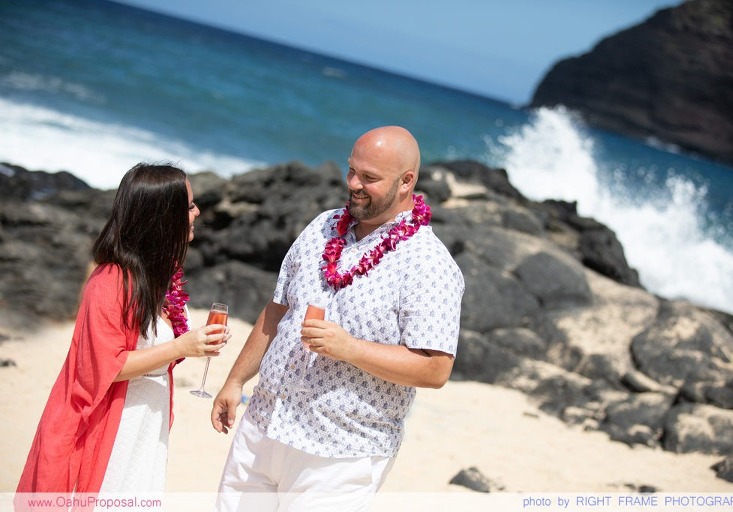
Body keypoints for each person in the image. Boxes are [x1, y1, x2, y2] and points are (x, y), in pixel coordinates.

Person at [211, 126, 465, 511]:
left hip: (339, 453)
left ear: (406, 181)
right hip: (263, 424)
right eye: (352, 170)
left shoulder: (429, 264)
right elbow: (278, 308)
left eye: (369, 178)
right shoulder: (323, 225)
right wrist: (235, 380)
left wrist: (350, 349)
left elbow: (435, 369)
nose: (353, 184)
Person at [16, 163, 230, 498]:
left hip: (147, 423)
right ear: (163, 216)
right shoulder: (111, 281)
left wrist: (194, 344)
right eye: (189, 206)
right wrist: (182, 347)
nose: (198, 212)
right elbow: (105, 367)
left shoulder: (160, 276)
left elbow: (154, 350)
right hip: (111, 427)